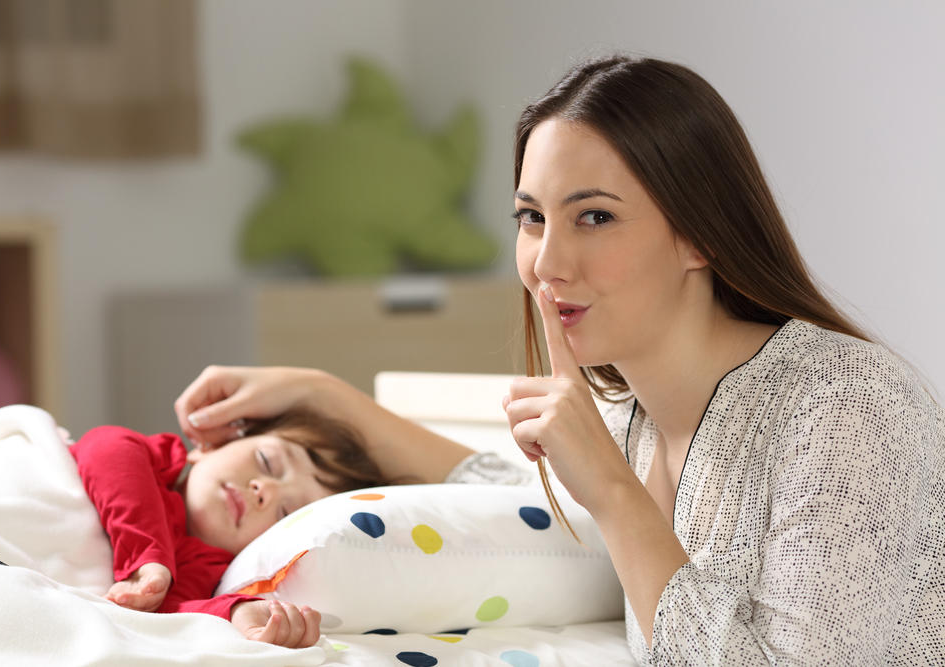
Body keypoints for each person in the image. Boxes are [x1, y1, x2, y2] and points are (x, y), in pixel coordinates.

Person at [174, 55, 943, 665]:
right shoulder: (634, 409)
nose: (546, 262)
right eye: (532, 217)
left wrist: (611, 488)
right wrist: (323, 392)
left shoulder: (845, 404)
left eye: (595, 217)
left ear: (699, 234)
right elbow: (509, 491)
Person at [70, 407, 391, 648]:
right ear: (212, 444)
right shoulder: (157, 461)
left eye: (285, 512)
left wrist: (236, 613)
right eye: (267, 462)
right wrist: (147, 560)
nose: (264, 490)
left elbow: (166, 613)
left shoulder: (205, 568)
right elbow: (107, 447)